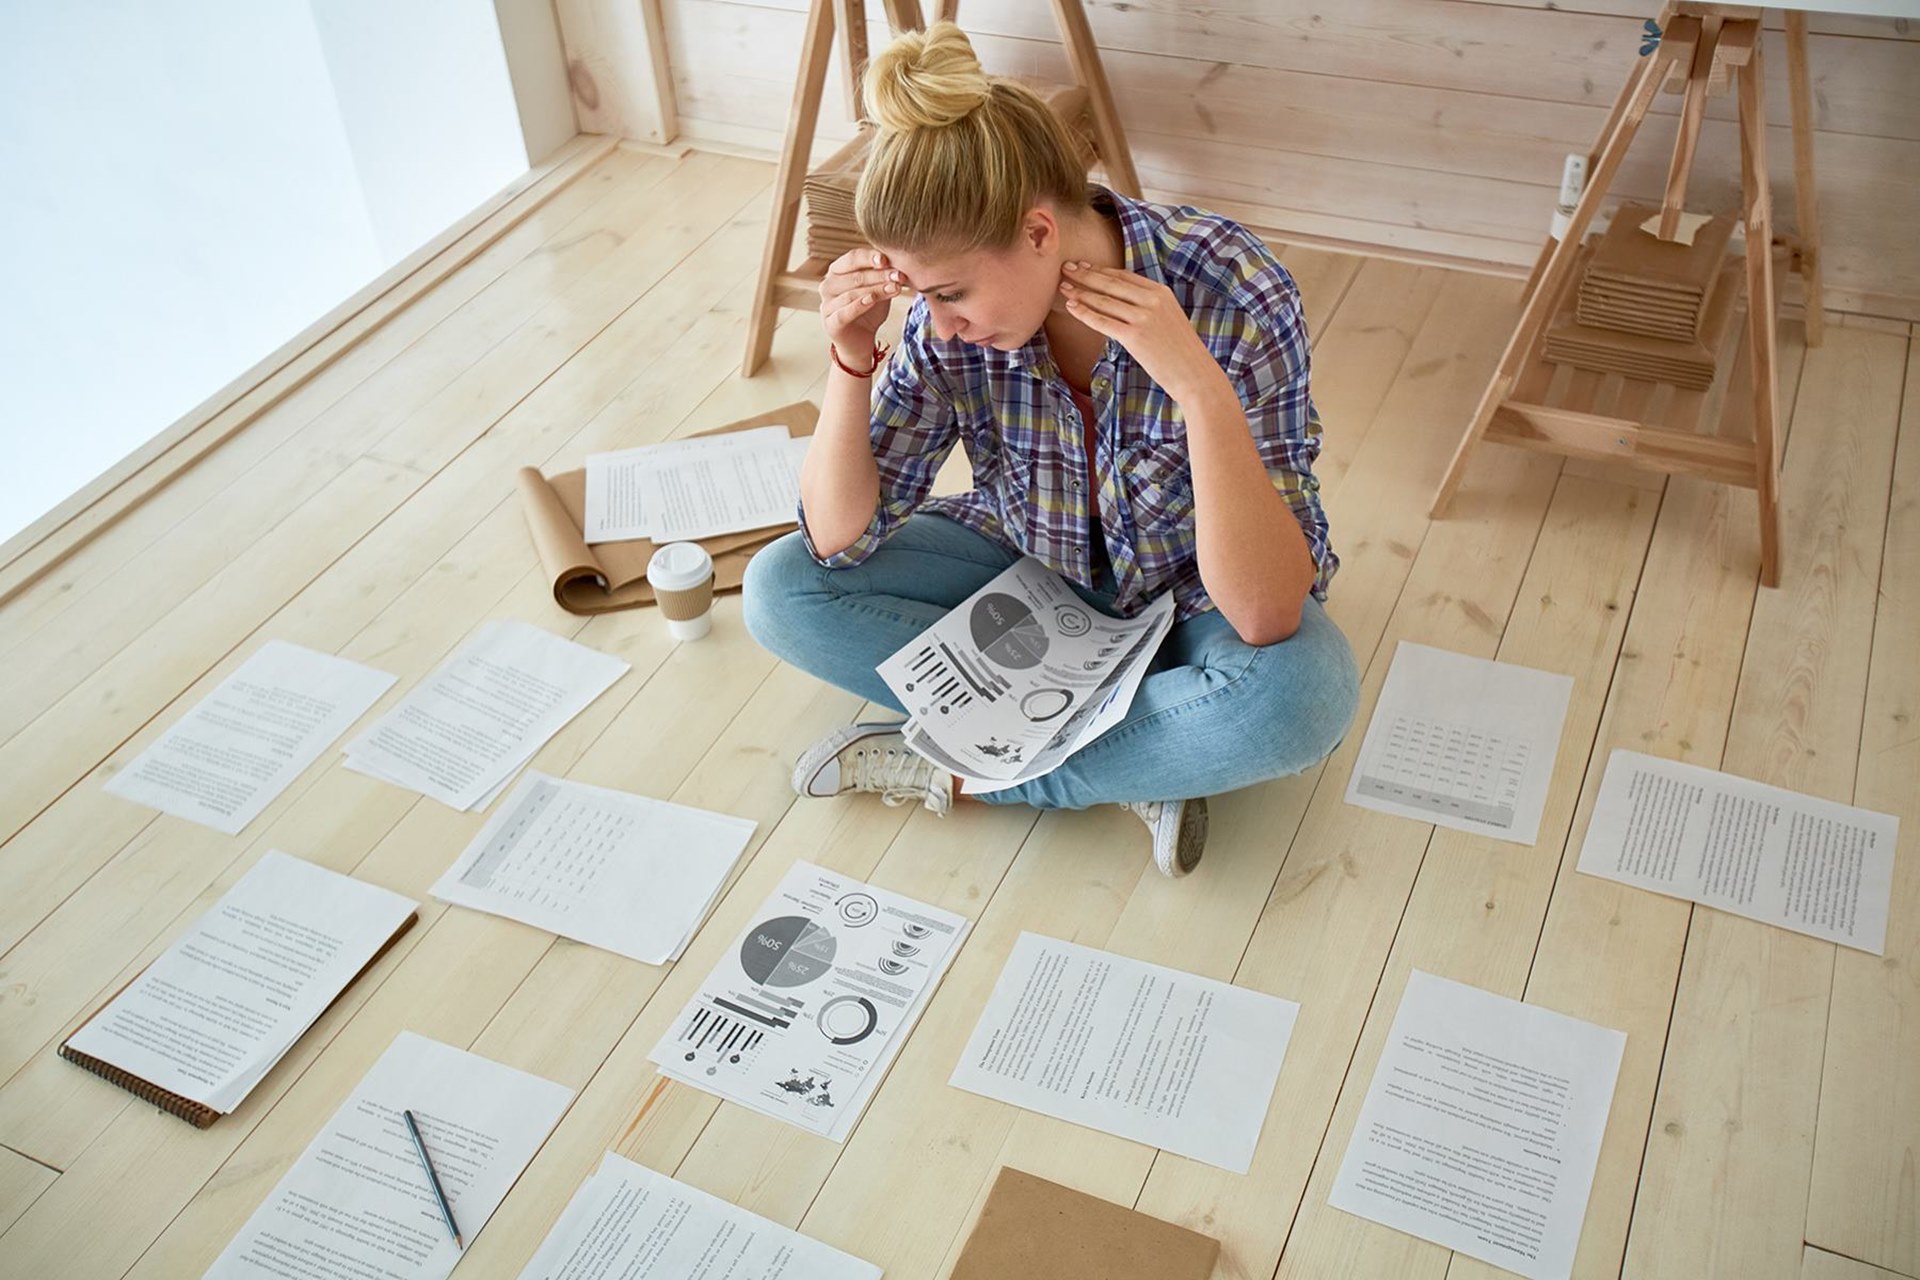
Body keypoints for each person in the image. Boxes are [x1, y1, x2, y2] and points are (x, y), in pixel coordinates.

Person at [743, 22, 1357, 877]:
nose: (940, 320)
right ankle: (1146, 752)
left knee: (1299, 700)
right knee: (779, 590)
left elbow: (1266, 614)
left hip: (1194, 596)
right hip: (1027, 567)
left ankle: (969, 773)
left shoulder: (1232, 288)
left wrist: (1199, 389)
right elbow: (839, 539)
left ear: (1038, 233)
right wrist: (850, 360)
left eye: (952, 291)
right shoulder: (939, 319)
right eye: (922, 294)